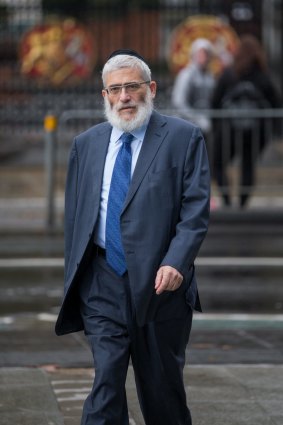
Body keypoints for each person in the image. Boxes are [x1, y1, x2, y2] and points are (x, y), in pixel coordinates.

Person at [55, 49, 210, 425]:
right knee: (105, 386)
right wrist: (78, 278)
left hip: (161, 286)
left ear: (151, 89)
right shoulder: (86, 144)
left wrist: (177, 261)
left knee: (162, 394)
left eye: (132, 87)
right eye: (115, 89)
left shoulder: (183, 138)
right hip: (102, 281)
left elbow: (195, 211)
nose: (124, 96)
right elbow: (76, 218)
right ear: (104, 96)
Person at [211, 34, 281, 207]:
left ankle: (227, 201)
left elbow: (215, 101)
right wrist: (273, 131)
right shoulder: (264, 77)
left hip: (229, 130)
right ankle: (242, 204)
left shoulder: (229, 74)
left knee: (218, 163)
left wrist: (216, 125)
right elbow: (276, 103)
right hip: (256, 131)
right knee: (248, 166)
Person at [171, 38, 216, 136]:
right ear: (194, 54)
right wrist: (196, 119)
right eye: (200, 53)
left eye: (206, 53)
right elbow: (179, 102)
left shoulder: (209, 75)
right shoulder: (186, 74)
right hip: (186, 126)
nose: (203, 57)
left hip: (205, 126)